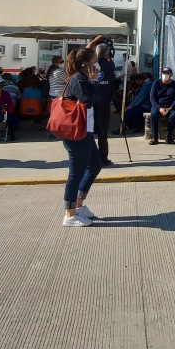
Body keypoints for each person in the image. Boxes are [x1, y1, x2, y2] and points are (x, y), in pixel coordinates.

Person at [60, 48, 101, 227]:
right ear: (87, 64)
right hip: (76, 132)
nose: (97, 63)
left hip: (86, 130)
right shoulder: (78, 79)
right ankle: (69, 215)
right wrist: (94, 82)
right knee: (75, 173)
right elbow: (87, 100)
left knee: (94, 166)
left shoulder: (82, 78)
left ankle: (78, 205)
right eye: (95, 60)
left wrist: (93, 81)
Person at [94, 43, 116, 166]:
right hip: (104, 103)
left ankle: (92, 158)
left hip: (93, 103)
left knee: (90, 132)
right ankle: (103, 158)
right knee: (103, 134)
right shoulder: (110, 64)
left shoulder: (92, 65)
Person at [149, 66, 175, 145]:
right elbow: (152, 97)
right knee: (153, 114)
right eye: (164, 73)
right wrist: (159, 108)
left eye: (167, 73)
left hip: (170, 107)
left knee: (174, 116)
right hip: (158, 106)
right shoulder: (156, 83)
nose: (165, 74)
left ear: (171, 75)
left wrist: (170, 108)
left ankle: (168, 137)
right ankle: (154, 137)